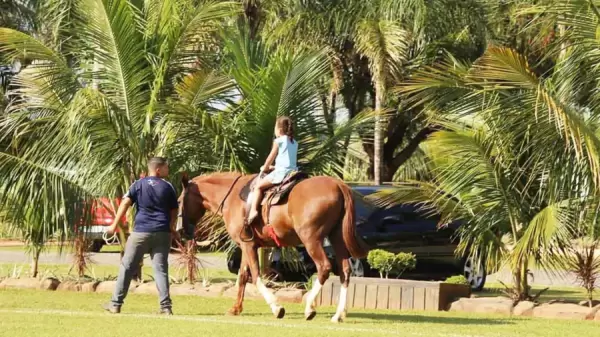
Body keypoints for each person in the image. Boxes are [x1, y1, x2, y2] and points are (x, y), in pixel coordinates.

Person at [102, 157, 180, 315]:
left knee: (127, 267)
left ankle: (115, 304)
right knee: (160, 269)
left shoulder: (138, 184)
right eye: (166, 167)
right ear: (157, 170)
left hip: (141, 233)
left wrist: (114, 225)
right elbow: (174, 210)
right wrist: (172, 227)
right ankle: (166, 307)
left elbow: (124, 203)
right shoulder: (168, 186)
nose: (168, 170)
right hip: (162, 233)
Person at [246, 116, 298, 224]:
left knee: (258, 187)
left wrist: (265, 167)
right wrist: (273, 167)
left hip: (281, 173)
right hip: (293, 171)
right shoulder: (294, 143)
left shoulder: (278, 141)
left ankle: (253, 210)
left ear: (279, 129)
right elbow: (288, 161)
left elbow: (271, 156)